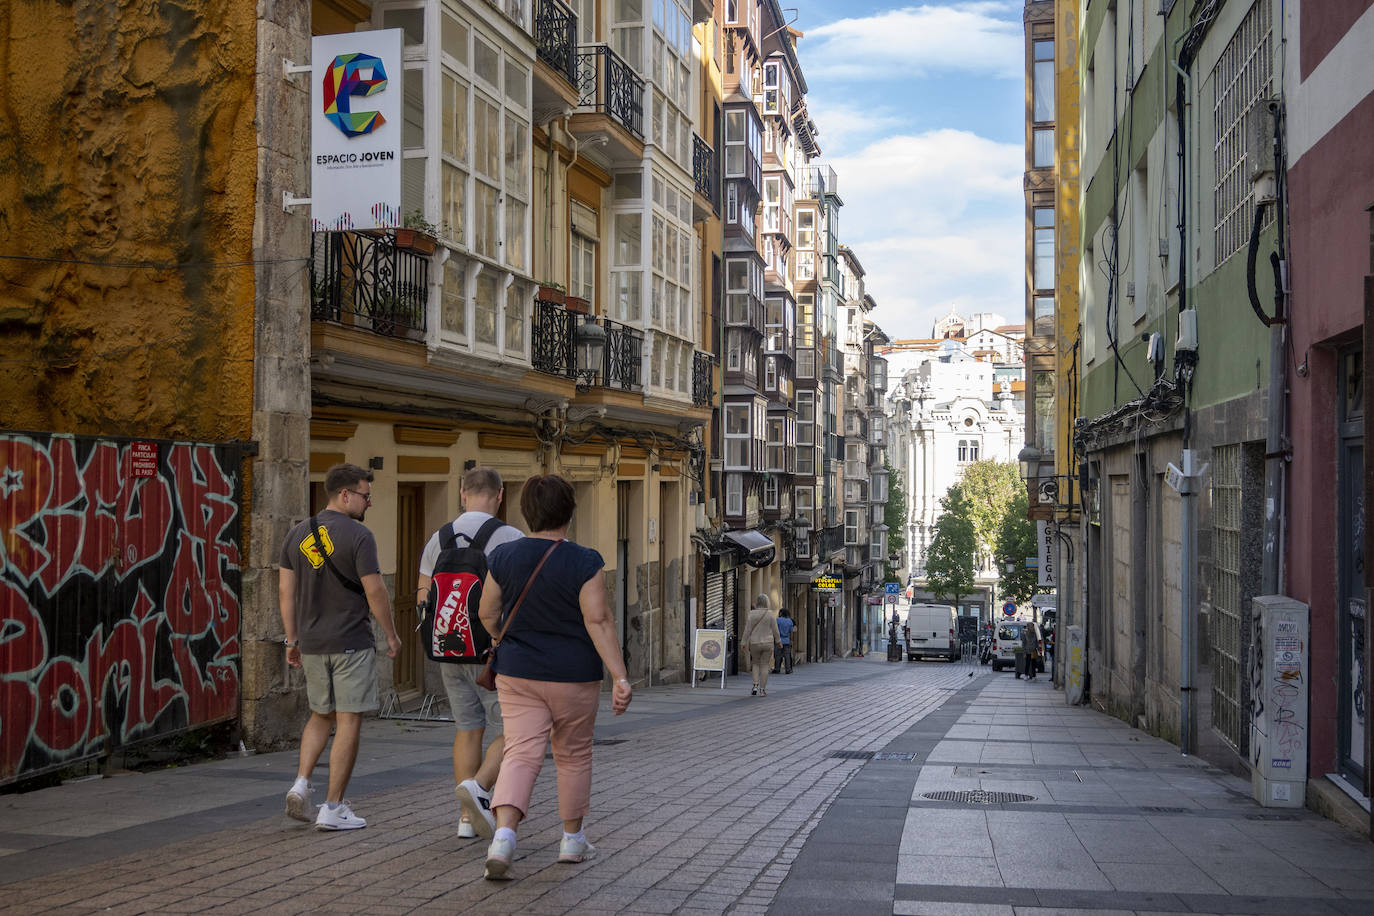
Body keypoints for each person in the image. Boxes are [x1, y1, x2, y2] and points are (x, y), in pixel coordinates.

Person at [477, 474, 633, 880]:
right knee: (573, 755)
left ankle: (504, 838)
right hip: (573, 675)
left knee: (521, 752)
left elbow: (486, 614)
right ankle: (571, 840)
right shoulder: (585, 561)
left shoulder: (503, 557)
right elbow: (598, 620)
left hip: (517, 672)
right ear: (569, 512)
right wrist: (619, 676)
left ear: (526, 512)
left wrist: (504, 641)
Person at [278, 463, 402, 831]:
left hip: (313, 642)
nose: (369, 502)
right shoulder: (359, 535)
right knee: (348, 719)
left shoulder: (296, 533)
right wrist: (391, 635)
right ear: (345, 494)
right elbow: (375, 589)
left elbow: (287, 592)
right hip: (350, 640)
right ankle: (332, 808)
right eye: (365, 495)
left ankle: (301, 783)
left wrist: (292, 638)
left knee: (320, 714)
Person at [417, 467, 524, 840]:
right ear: (499, 495)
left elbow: (423, 596)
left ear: (463, 494)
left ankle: (466, 818)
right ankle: (480, 791)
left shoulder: (439, 538)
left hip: (451, 647)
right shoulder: (509, 537)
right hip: (493, 654)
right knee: (514, 731)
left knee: (466, 729)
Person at [742, 595, 782, 697]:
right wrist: (778, 641)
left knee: (755, 664)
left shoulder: (751, 613)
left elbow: (747, 630)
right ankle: (762, 690)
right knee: (764, 665)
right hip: (768, 643)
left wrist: (743, 642)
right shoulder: (770, 614)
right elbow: (775, 630)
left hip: (754, 643)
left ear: (757, 602)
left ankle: (755, 685)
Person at [775, 609, 795, 674]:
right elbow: (791, 632)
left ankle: (777, 668)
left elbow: (775, 630)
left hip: (779, 640)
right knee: (787, 656)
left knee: (778, 655)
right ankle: (788, 669)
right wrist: (791, 640)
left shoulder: (778, 620)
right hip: (786, 640)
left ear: (781, 613)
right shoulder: (790, 621)